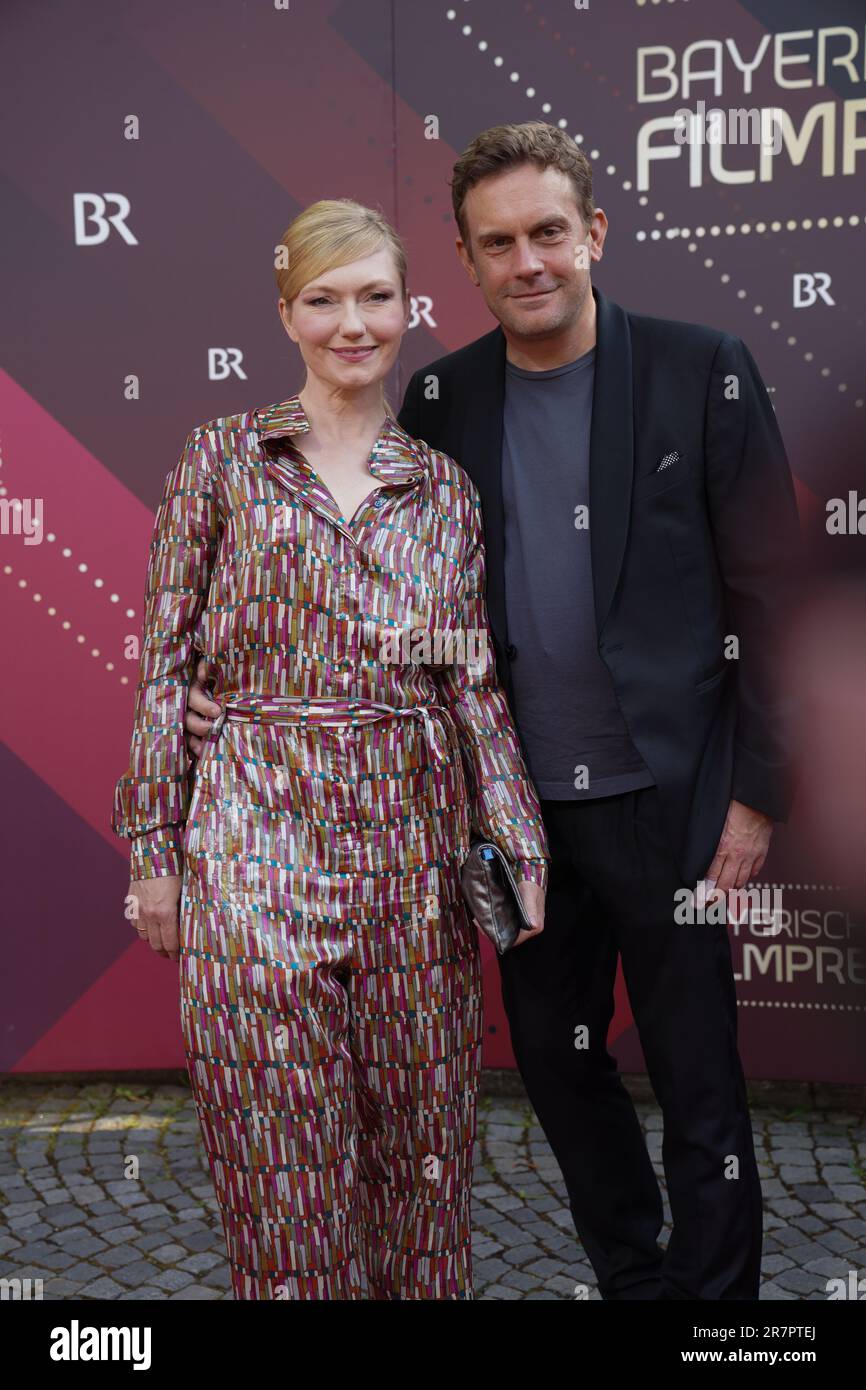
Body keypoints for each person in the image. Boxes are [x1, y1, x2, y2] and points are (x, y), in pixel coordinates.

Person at [185, 122, 804, 1301]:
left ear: (592, 237)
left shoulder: (698, 367)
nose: (527, 261)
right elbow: (363, 564)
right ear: (464, 263)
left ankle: (711, 1309)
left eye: (547, 234)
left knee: (698, 1074)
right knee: (560, 1071)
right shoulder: (437, 394)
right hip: (508, 811)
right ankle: (631, 1275)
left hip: (666, 801)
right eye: (497, 242)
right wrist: (227, 685)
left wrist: (755, 793)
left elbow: (771, 592)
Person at [112, 196, 550, 1301]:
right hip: (252, 836)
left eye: (372, 297)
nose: (350, 323)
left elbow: (471, 684)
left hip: (415, 846)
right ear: (285, 313)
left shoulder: (442, 489)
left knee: (425, 1148)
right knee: (274, 1151)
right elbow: (165, 664)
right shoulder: (219, 460)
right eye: (323, 299)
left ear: (409, 308)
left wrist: (515, 842)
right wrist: (155, 853)